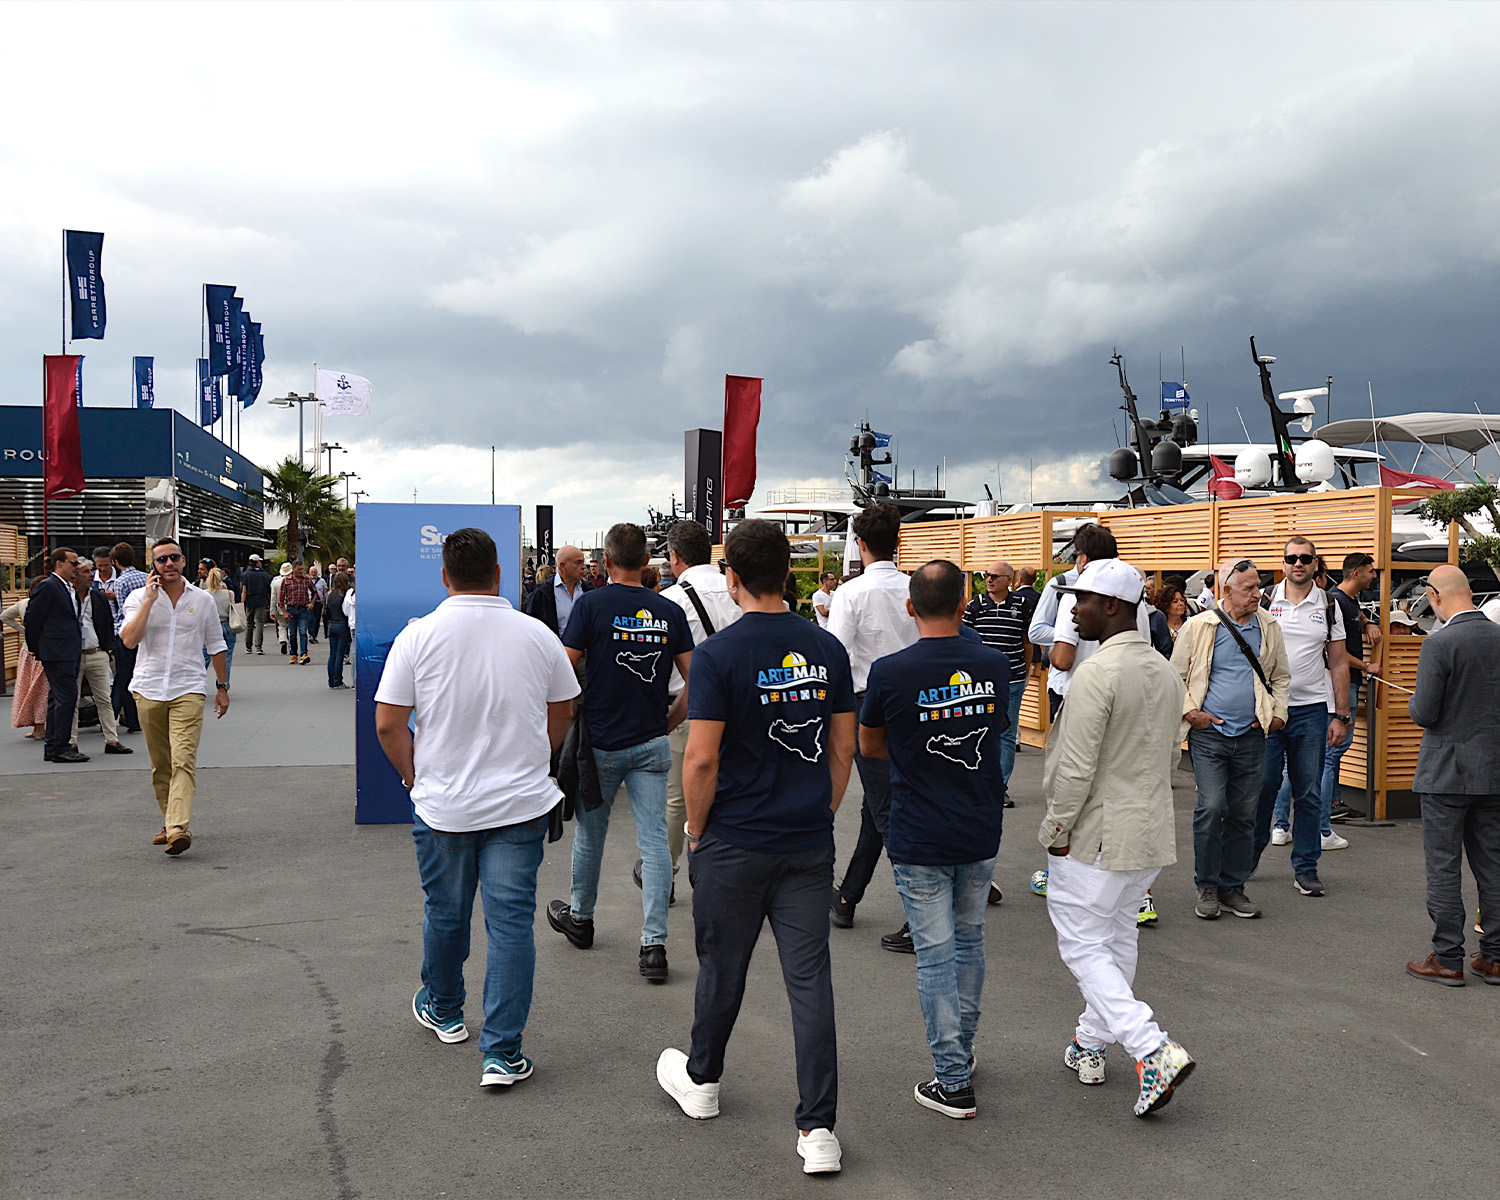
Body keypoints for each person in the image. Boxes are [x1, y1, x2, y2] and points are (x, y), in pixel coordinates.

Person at [655, 519, 855, 1175]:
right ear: (790, 575)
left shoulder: (719, 655)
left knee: (722, 966)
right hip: (805, 841)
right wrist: (819, 809)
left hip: (735, 841)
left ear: (732, 578)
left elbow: (702, 760)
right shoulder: (826, 649)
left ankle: (704, 1080)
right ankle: (818, 1129)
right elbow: (844, 748)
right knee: (810, 981)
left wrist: (695, 831)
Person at [375, 527, 579, 1085]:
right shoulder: (536, 634)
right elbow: (563, 705)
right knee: (511, 925)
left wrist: (413, 775)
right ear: (499, 575)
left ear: (444, 576)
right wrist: (543, 751)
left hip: (444, 805)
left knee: (445, 912)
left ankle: (444, 1008)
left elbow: (389, 722)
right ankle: (502, 1052)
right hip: (519, 802)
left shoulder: (418, 636)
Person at [1039, 558, 1195, 1116]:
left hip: (1097, 834)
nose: (1072, 610)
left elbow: (1076, 767)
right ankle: (1089, 1041)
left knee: (1082, 942)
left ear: (1113, 607)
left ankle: (1151, 1047)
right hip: (1149, 829)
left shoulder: (1098, 673)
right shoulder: (1162, 669)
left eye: (1080, 600)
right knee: (1115, 938)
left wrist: (1056, 830)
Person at [861, 560, 1009, 1119]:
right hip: (979, 823)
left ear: (910, 607)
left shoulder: (890, 671)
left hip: (919, 826)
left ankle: (952, 1077)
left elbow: (870, 745)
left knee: (935, 956)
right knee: (969, 943)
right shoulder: (992, 664)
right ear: (964, 602)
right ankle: (961, 1058)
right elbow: (994, 729)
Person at [547, 523, 693, 981]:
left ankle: (582, 919)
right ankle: (654, 946)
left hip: (602, 744)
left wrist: (570, 713)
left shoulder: (590, 604)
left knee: (591, 836)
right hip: (651, 742)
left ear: (605, 562)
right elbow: (698, 678)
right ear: (647, 562)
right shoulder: (667, 610)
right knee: (653, 845)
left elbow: (561, 667)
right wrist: (669, 721)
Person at [1171, 559, 1289, 920]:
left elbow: (1281, 677)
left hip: (1253, 736)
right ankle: (1207, 884)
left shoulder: (1268, 626)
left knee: (1244, 814)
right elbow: (1175, 678)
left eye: (1258, 586)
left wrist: (1277, 714)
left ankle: (1232, 887)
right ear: (1227, 591)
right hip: (1210, 736)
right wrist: (1193, 713)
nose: (1259, 593)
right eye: (1249, 588)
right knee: (1211, 808)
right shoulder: (1199, 627)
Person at [826, 502, 919, 948]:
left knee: (885, 809)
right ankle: (847, 897)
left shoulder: (851, 593)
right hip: (918, 703)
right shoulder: (915, 588)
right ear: (898, 542)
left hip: (869, 705)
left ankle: (919, 913)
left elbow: (838, 655)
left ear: (860, 545)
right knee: (880, 806)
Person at [1404, 565, 1500, 986]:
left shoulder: (1440, 643)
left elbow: (1424, 712)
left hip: (1445, 774)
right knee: (1493, 866)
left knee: (1444, 868)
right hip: (1494, 771)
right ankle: (1495, 957)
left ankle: (1448, 957)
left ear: (1434, 595)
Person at [1253, 537, 1355, 897]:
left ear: (1315, 564)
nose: (1298, 563)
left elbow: (1339, 661)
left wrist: (1340, 715)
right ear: (1282, 563)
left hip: (1312, 709)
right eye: (1291, 558)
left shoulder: (1328, 605)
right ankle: (1249, 855)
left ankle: (1306, 868)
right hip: (1268, 708)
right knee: (1263, 786)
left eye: (1305, 558)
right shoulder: (1263, 600)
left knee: (1309, 792)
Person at [119, 538, 230, 855]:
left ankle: (178, 827)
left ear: (183, 561)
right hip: (149, 688)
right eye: (162, 559)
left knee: (183, 760)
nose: (168, 564)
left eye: (174, 558)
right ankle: (170, 821)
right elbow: (129, 640)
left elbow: (216, 644)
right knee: (161, 764)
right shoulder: (138, 597)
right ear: (152, 565)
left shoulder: (203, 600)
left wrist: (222, 687)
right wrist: (149, 603)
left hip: (188, 688)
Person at [654, 520, 741, 892]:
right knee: (733, 792)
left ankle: (667, 875)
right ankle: (728, 870)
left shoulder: (670, 600)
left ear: (675, 557)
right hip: (740, 706)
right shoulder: (736, 589)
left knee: (678, 798)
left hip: (689, 707)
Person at [962, 559, 1032, 794]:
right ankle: (978, 781)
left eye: (994, 576)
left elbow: (1026, 641)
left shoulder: (1021, 605)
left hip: (1011, 679)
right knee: (978, 731)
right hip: (980, 682)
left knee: (1007, 733)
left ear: (1009, 581)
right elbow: (964, 639)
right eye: (987, 575)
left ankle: (999, 786)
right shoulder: (977, 605)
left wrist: (1026, 670)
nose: (989, 580)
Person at [1323, 553, 1382, 825]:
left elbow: (1354, 611)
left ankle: (1333, 803)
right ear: (1356, 573)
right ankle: (1323, 809)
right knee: (1337, 746)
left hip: (1349, 681)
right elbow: (1336, 652)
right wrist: (1366, 666)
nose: (1374, 575)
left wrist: (1368, 622)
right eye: (1371, 571)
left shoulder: (1347, 600)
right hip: (1343, 683)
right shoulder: (1335, 601)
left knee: (1335, 747)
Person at [23, 547, 89, 763]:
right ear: (59, 564)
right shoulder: (48, 587)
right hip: (57, 653)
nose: (76, 567)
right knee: (67, 697)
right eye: (73, 563)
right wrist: (36, 647)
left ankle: (54, 746)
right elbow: (32, 619)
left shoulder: (68, 588)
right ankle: (61, 747)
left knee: (58, 698)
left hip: (67, 651)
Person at [69, 558, 131, 756]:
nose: (91, 575)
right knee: (73, 700)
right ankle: (70, 741)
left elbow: (107, 623)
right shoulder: (67, 596)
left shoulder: (98, 597)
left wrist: (107, 650)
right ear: (75, 575)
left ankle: (112, 740)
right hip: (73, 655)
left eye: (91, 571)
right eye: (86, 572)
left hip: (96, 652)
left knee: (104, 698)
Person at [109, 543, 149, 731]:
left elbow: (122, 609)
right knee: (142, 674)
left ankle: (113, 715)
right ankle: (137, 719)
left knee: (123, 677)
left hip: (125, 632)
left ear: (115, 562)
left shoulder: (120, 582)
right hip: (146, 630)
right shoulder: (146, 577)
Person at [3, 579, 50, 740]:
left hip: (27, 650)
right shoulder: (48, 605)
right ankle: (41, 726)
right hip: (45, 649)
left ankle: (37, 726)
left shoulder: (23, 603)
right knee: (42, 690)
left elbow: (5, 616)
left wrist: (22, 630)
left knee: (29, 689)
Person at [523, 544, 590, 636]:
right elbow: (532, 629)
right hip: (554, 648)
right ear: (562, 566)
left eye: (583, 562)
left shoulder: (589, 589)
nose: (584, 567)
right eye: (578, 562)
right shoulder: (541, 593)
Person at [198, 567, 237, 685]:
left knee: (204, 657)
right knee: (227, 658)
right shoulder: (230, 594)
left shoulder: (204, 594)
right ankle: (223, 683)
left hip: (210, 627)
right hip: (227, 625)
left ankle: (198, 682)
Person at [281, 562, 315, 664]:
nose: (301, 571)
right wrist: (284, 612)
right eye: (299, 569)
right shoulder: (286, 581)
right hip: (291, 609)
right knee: (292, 634)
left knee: (303, 632)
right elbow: (281, 598)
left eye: (302, 569)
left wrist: (311, 603)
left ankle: (304, 654)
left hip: (303, 609)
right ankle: (293, 654)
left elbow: (315, 592)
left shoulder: (307, 580)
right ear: (293, 569)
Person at [240, 554, 273, 655]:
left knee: (249, 624)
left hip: (250, 600)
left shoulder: (245, 574)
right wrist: (270, 603)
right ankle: (258, 646)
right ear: (258, 562)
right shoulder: (265, 574)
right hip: (262, 600)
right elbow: (269, 590)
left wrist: (242, 603)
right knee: (259, 623)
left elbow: (244, 591)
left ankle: (248, 646)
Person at [326, 571, 352, 688]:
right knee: (340, 654)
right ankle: (338, 680)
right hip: (342, 624)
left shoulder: (330, 594)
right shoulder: (345, 594)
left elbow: (325, 611)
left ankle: (331, 680)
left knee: (332, 653)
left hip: (331, 623)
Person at [1149, 583, 1189, 657]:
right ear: (1165, 605)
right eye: (1175, 601)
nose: (1181, 604)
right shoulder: (1159, 627)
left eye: (1182, 600)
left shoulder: (1190, 623)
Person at [271, 562, 292, 655]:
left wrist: (272, 611)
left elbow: (273, 598)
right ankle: (291, 644)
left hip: (280, 608)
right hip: (291, 606)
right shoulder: (293, 581)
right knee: (292, 626)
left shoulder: (276, 582)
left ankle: (283, 640)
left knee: (282, 626)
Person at [308, 563, 325, 645]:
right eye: (312, 572)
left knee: (317, 619)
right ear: (309, 573)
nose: (313, 573)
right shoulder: (306, 581)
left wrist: (324, 600)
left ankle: (314, 635)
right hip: (309, 603)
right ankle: (311, 634)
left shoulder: (322, 581)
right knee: (310, 619)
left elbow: (325, 591)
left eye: (314, 572)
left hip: (318, 602)